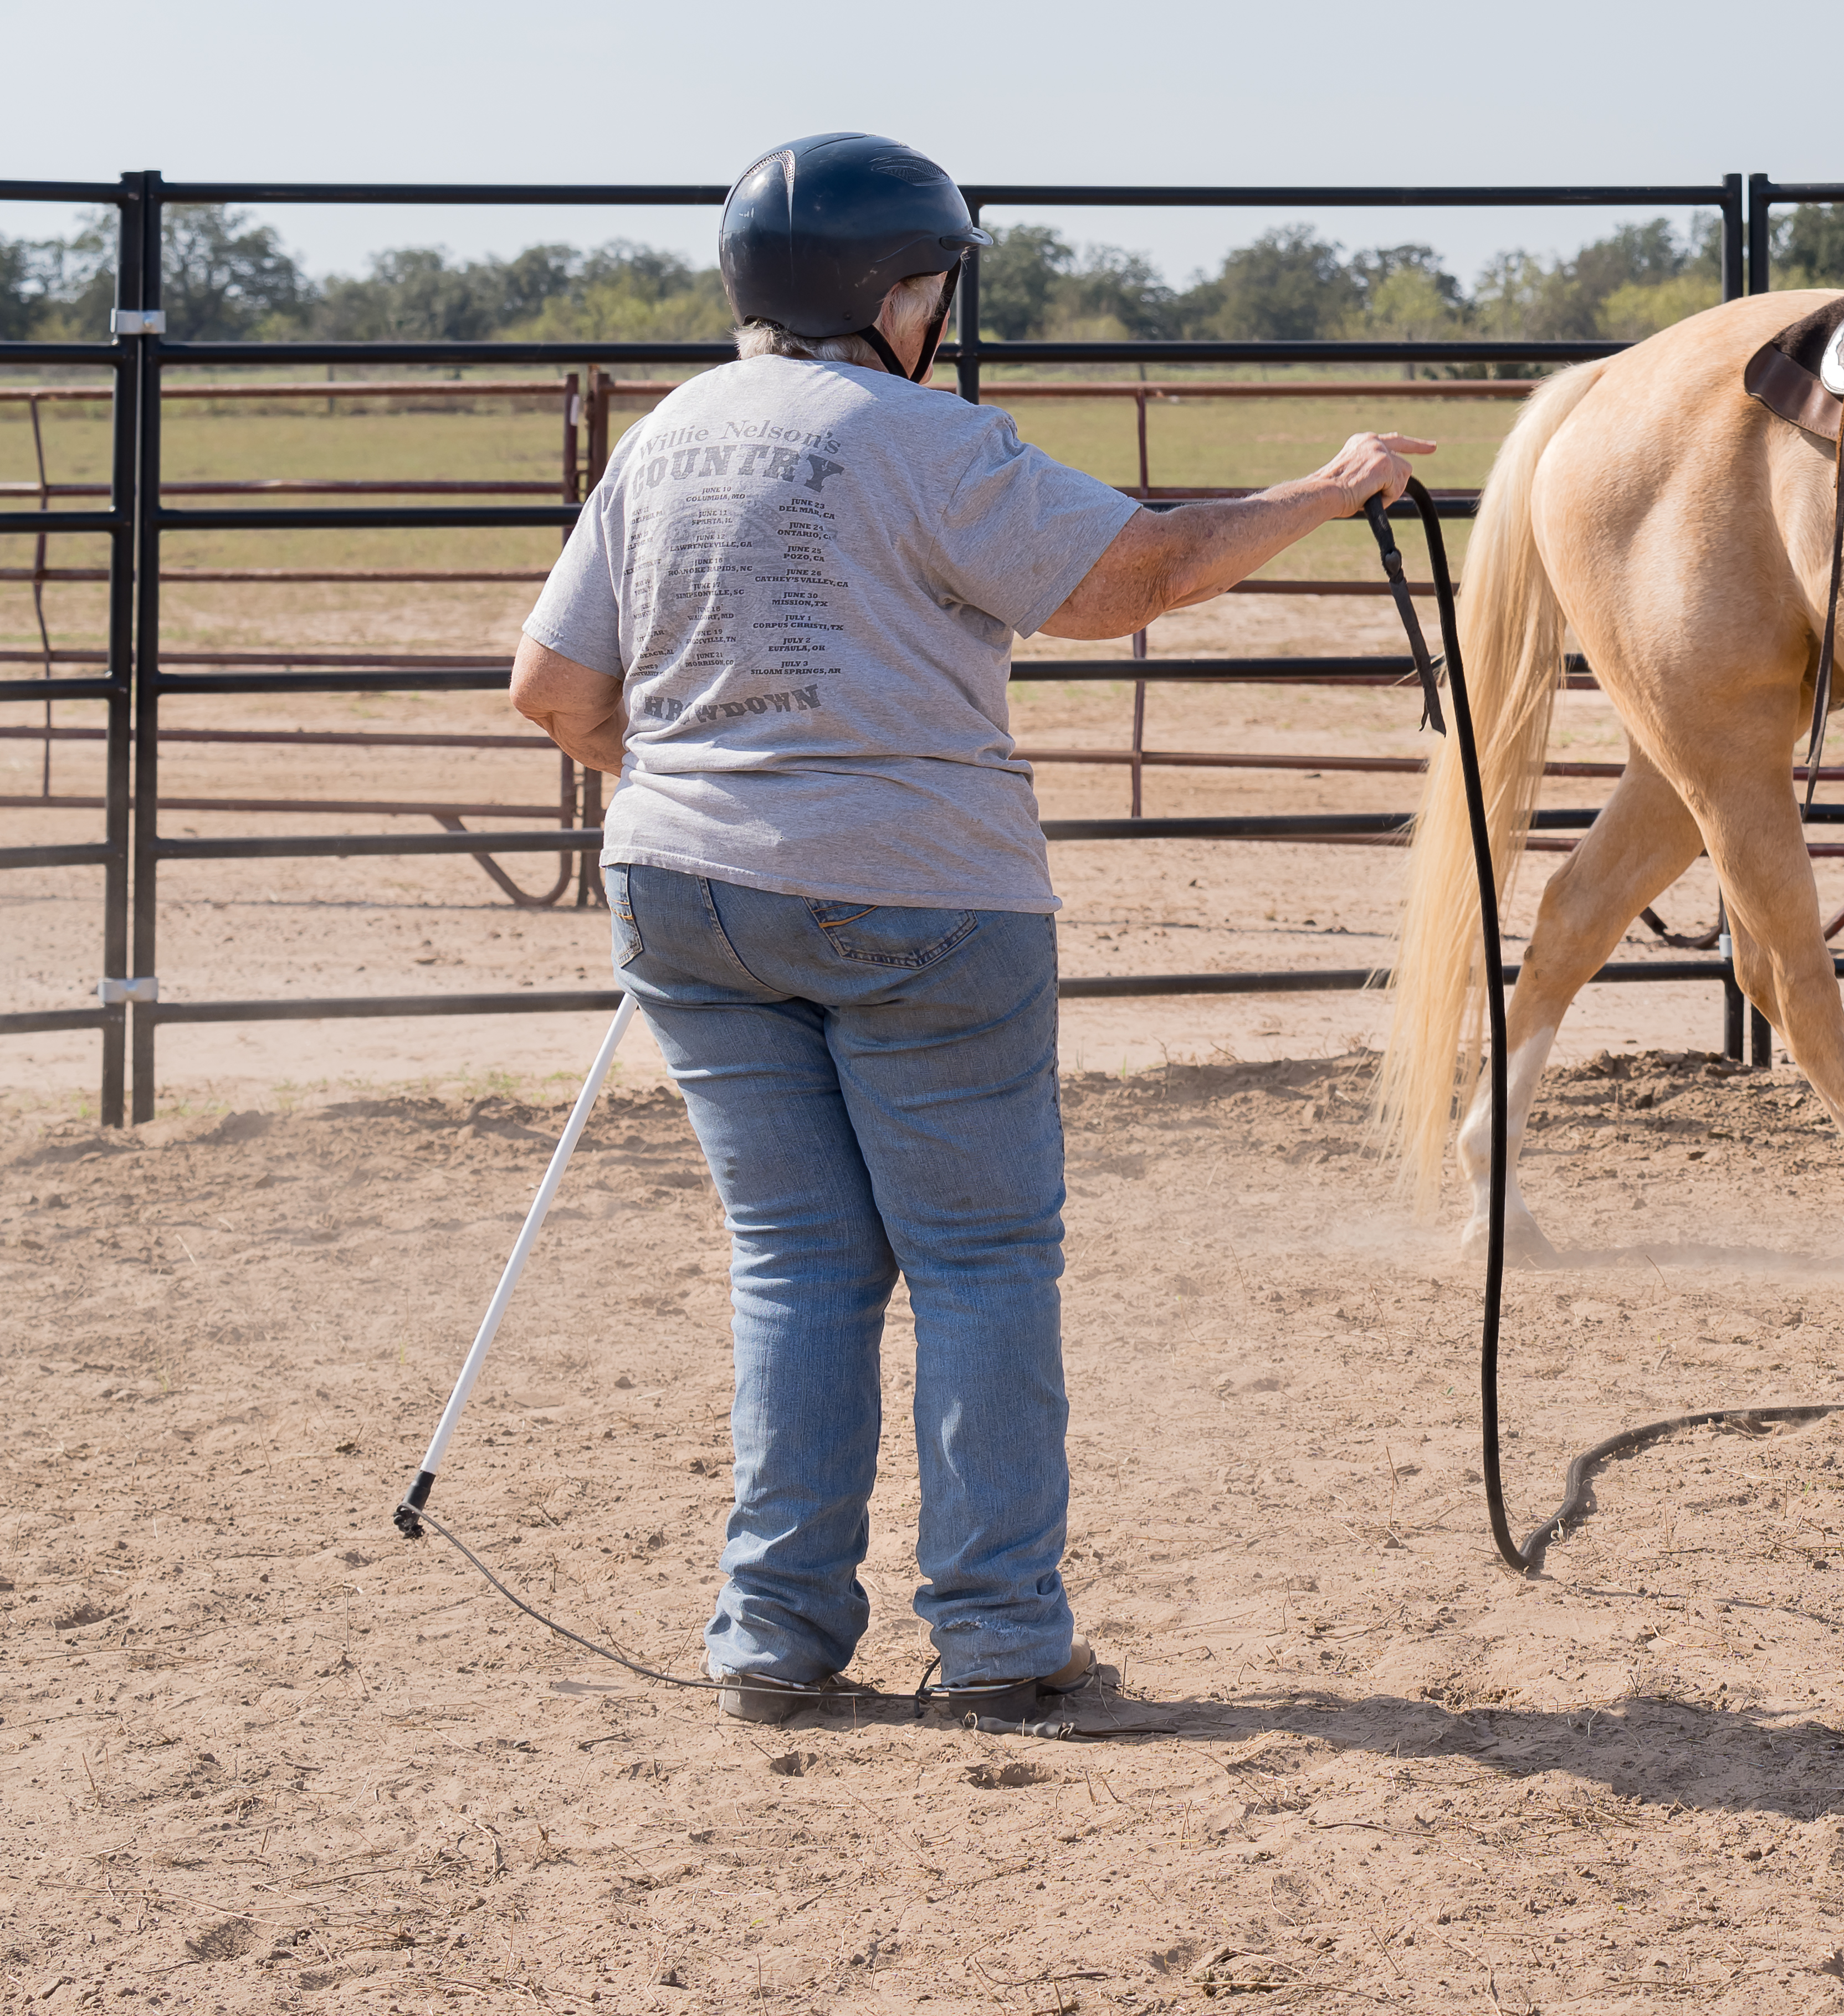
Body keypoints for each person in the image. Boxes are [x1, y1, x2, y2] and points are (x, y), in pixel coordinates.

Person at [509, 132, 1428, 1725]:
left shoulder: (662, 441)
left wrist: (707, 806)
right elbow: (1120, 577)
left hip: (680, 889)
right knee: (982, 1258)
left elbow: (553, 694)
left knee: (796, 1264)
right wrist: (1329, 491)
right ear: (898, 293)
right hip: (922, 892)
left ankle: (774, 1638)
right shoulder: (922, 437)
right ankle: (1000, 1637)